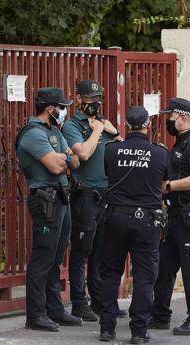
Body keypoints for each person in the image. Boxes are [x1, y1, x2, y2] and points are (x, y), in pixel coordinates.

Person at [98, 106, 168, 344]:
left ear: (126, 126)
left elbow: (109, 174)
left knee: (109, 274)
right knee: (145, 277)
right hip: (146, 221)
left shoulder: (111, 150)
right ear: (148, 125)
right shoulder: (159, 153)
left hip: (115, 218)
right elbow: (163, 182)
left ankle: (107, 328)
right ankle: (139, 331)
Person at [15, 87, 83, 331]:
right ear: (50, 108)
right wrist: (63, 158)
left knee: (55, 257)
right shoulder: (33, 133)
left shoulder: (53, 130)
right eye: (62, 107)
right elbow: (55, 167)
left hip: (61, 198)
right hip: (45, 199)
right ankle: (35, 314)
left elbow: (75, 160)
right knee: (43, 256)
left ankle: (55, 309)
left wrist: (63, 158)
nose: (64, 111)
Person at [62, 79, 126, 321]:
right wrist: (98, 130)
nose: (94, 104)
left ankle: (101, 301)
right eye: (89, 100)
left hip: (105, 193)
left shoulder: (103, 124)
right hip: (84, 194)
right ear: (78, 99)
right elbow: (84, 153)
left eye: (97, 100)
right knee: (81, 251)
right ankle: (80, 303)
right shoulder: (72, 125)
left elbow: (117, 151)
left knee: (101, 251)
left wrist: (115, 133)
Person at [150, 97, 190, 335]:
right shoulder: (180, 143)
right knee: (165, 268)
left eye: (171, 116)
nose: (168, 120)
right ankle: (159, 315)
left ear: (182, 118)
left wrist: (169, 187)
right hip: (175, 215)